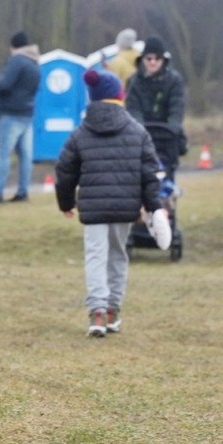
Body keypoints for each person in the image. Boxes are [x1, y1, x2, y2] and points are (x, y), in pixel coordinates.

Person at [55, 70, 164, 337]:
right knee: (117, 255)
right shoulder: (137, 131)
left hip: (92, 208)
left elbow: (64, 170)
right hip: (125, 207)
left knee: (95, 256)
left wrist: (66, 202)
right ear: (119, 96)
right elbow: (149, 173)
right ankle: (113, 309)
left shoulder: (81, 133)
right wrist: (153, 206)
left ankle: (97, 311)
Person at [0, 30, 41, 203]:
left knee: (3, 153)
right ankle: (23, 192)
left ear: (13, 46)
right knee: (25, 155)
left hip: (11, 112)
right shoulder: (34, 63)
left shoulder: (17, 61)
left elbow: (5, 84)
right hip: (28, 112)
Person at [125, 35, 187, 157]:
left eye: (157, 58)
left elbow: (177, 108)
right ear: (142, 59)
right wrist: (140, 130)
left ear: (163, 60)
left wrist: (173, 127)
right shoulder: (133, 82)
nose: (153, 62)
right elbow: (133, 108)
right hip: (142, 135)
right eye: (149, 58)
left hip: (167, 135)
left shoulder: (175, 80)